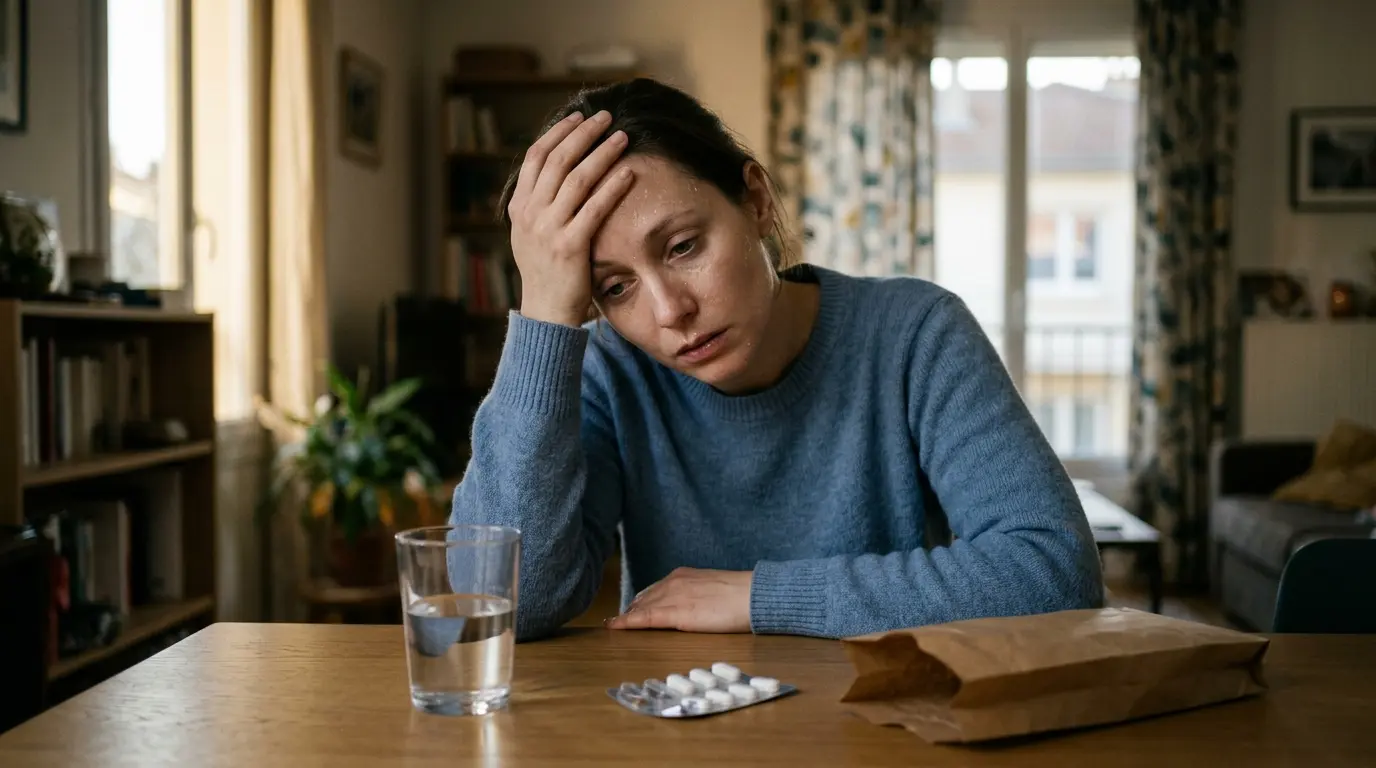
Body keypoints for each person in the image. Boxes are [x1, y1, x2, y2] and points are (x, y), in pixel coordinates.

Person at [450, 77, 1104, 641]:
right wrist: (544, 314)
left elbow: (1052, 570)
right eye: (614, 287)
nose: (669, 310)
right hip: (680, 730)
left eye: (682, 246)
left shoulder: (916, 334)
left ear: (756, 200)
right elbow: (507, 604)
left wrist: (758, 597)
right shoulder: (608, 371)